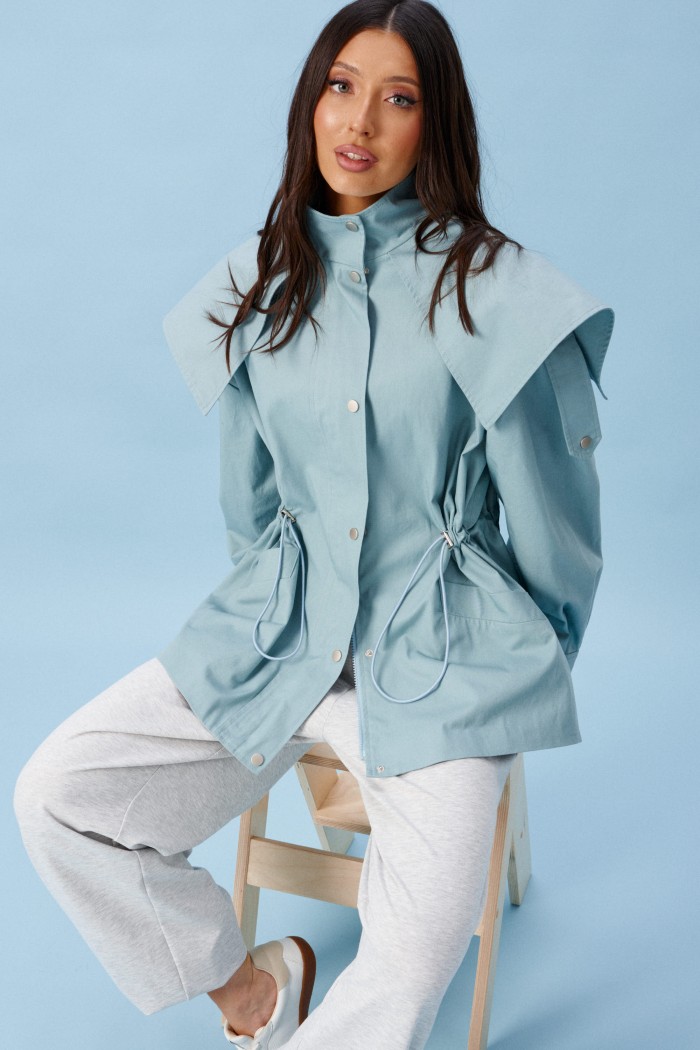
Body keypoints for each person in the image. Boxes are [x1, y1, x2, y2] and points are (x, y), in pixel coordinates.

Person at [13, 1, 615, 1048]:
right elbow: (249, 507)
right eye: (340, 86)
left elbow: (557, 533)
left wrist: (517, 672)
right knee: (58, 795)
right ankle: (254, 996)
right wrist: (276, 621)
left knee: (415, 951)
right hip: (280, 638)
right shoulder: (259, 285)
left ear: (436, 124)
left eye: (399, 98)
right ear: (311, 101)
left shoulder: (500, 295)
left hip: (445, 665)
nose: (359, 122)